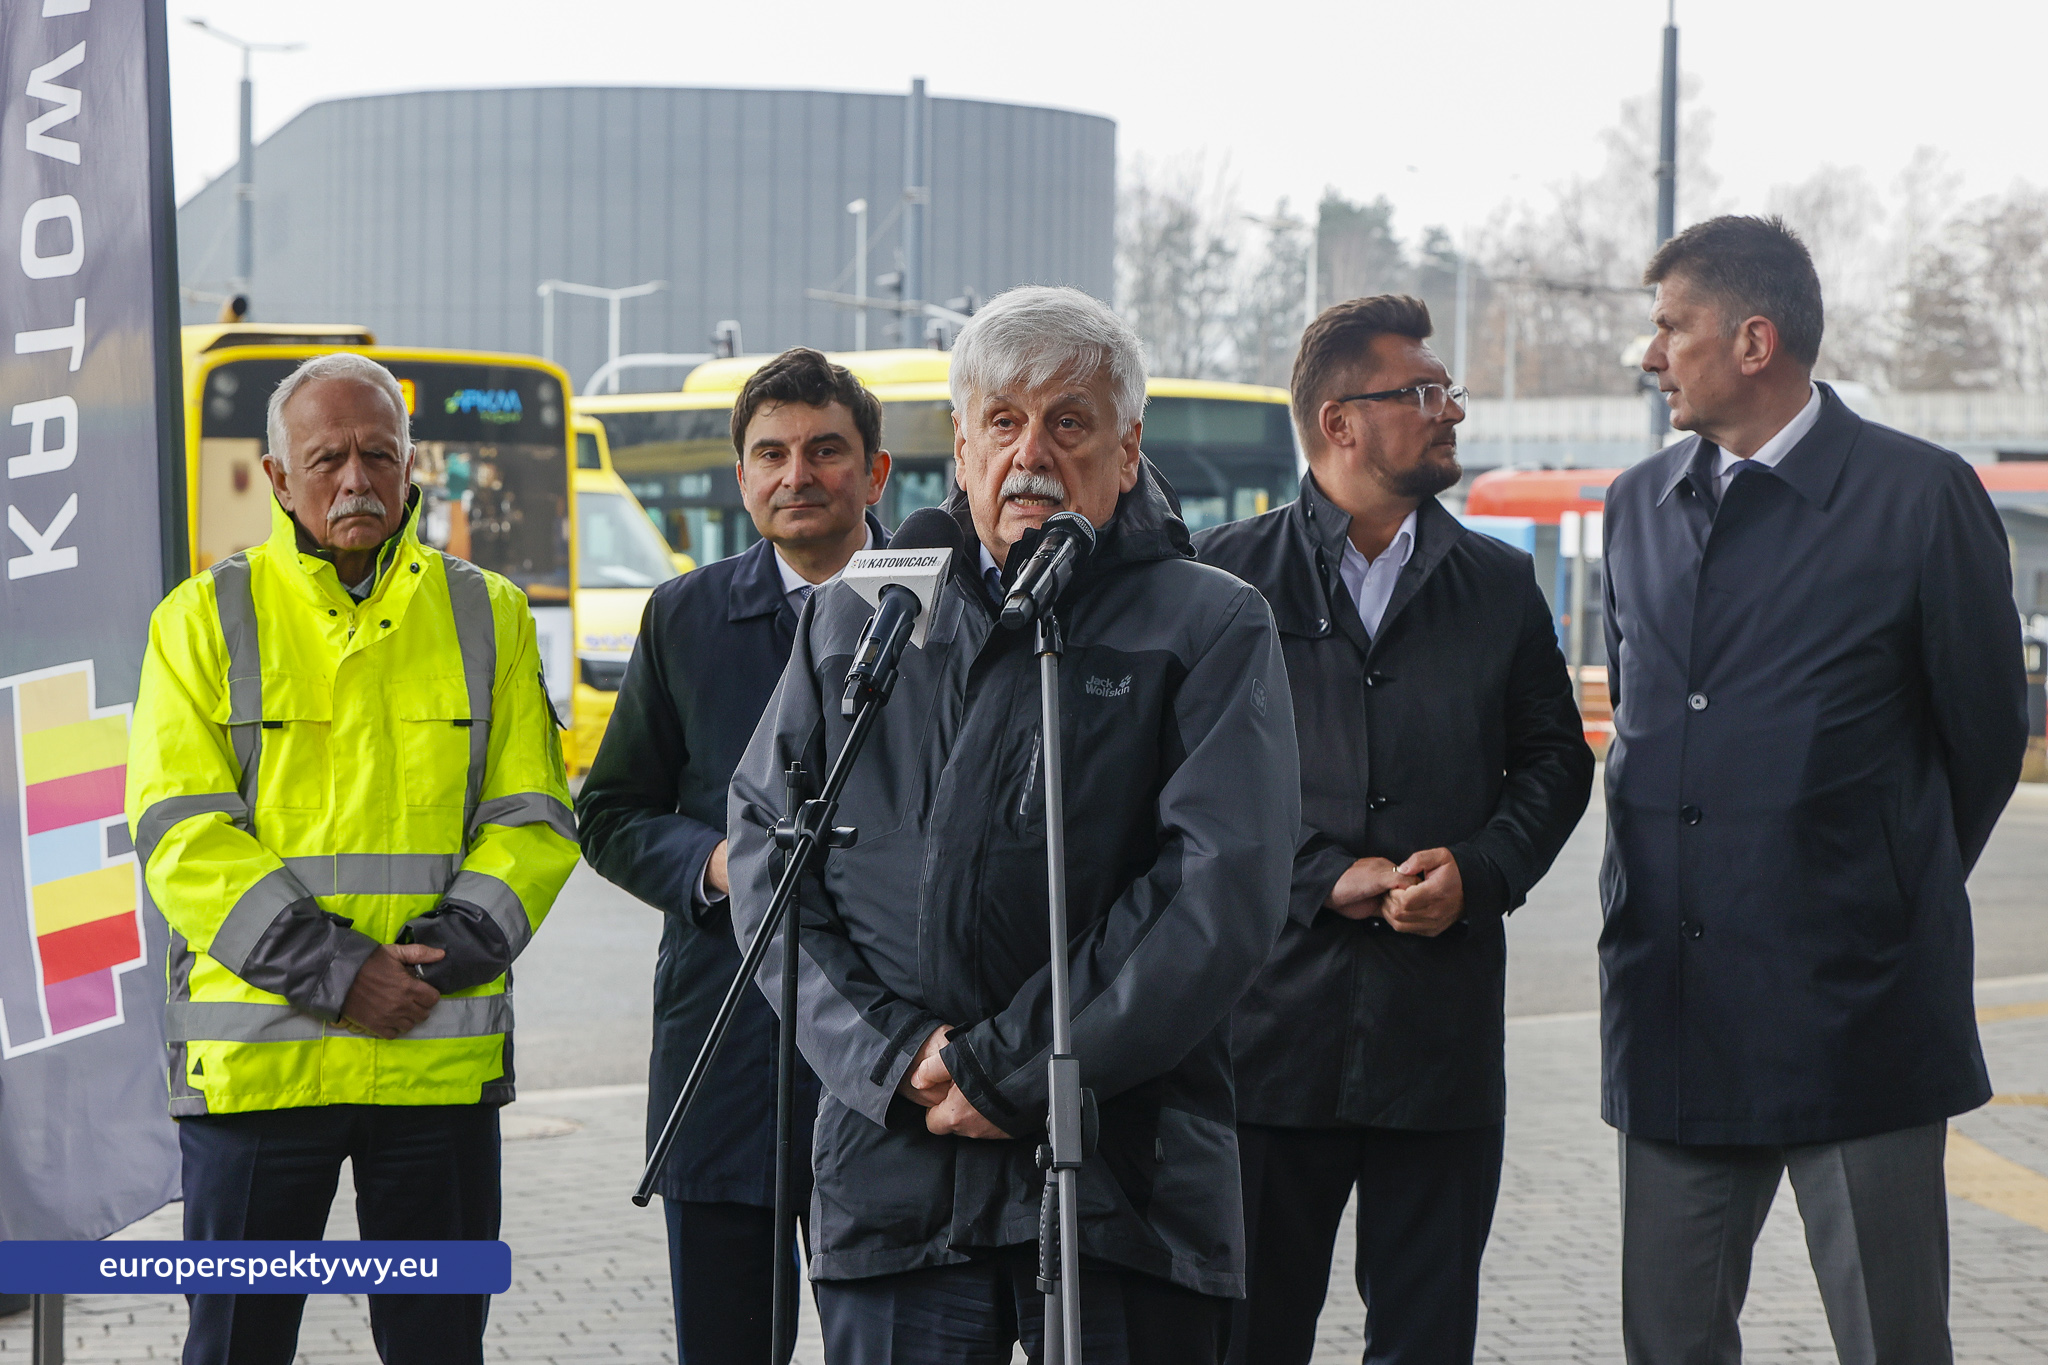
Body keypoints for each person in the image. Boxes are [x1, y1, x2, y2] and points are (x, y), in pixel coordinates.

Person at [726, 285, 1300, 1364]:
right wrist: (894, 1057)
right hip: (893, 1176)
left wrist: (1011, 1071)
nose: (1029, 452)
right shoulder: (862, 609)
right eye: (1002, 421)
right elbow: (767, 845)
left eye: (1067, 423)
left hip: (1119, 1191)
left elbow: (1215, 890)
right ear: (959, 444)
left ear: (1126, 451)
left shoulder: (1208, 620)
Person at [1602, 215, 2029, 1365]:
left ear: (1752, 340)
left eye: (1666, 328)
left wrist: (1875, 889)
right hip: (1674, 1015)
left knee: (1891, 1342)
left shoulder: (1918, 497)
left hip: (1856, 1019)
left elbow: (1984, 738)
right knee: (1668, 1343)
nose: (1647, 356)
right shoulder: (1633, 507)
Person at [127, 351, 580, 1365]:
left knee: (438, 1346)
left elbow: (536, 817)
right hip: (259, 1075)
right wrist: (343, 976)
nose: (355, 480)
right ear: (278, 480)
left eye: (379, 454)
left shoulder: (488, 615)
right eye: (326, 459)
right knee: (237, 1346)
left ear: (413, 467)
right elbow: (181, 833)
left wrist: (445, 954)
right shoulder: (200, 621)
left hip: (433, 1061)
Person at [1195, 296, 1594, 1364]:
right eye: (1421, 393)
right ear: (1339, 421)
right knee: (1246, 1335)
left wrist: (1480, 869)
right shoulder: (1219, 578)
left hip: (1439, 1033)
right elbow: (1181, 784)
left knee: (1425, 1338)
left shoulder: (1498, 585)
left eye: (1446, 390)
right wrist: (1315, 877)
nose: (1447, 411)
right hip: (1266, 1032)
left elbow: (1556, 760)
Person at [576, 347, 892, 1363]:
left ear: (876, 473)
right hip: (727, 1051)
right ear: (741, 475)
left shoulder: (948, 613)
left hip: (900, 1055)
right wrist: (718, 866)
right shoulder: (685, 617)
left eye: (825, 451)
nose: (795, 475)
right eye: (770, 454)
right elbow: (613, 813)